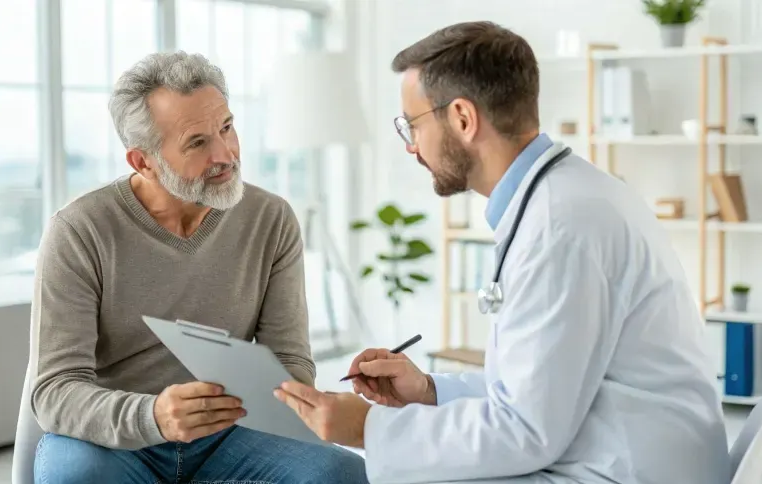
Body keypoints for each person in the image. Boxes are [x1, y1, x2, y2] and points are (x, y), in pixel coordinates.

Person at [273, 21, 730, 484]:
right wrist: (429, 391)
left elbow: (524, 430)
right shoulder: (563, 198)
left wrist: (366, 427)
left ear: (463, 119)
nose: (411, 147)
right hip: (623, 447)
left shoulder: (560, 225)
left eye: (412, 125)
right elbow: (532, 391)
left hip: (631, 469)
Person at [29, 51, 368, 484]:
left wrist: (293, 398)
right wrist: (153, 416)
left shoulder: (271, 219)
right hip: (115, 440)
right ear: (142, 162)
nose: (226, 154)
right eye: (197, 143)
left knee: (338, 473)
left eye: (226, 127)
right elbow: (55, 392)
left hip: (233, 435)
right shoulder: (79, 230)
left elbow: (290, 361)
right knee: (76, 478)